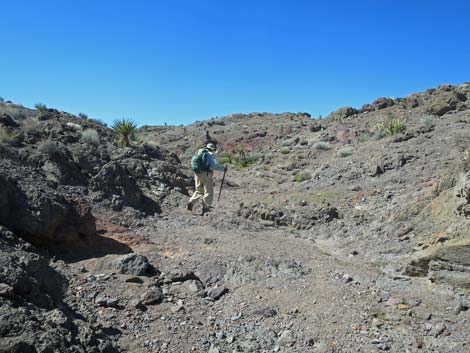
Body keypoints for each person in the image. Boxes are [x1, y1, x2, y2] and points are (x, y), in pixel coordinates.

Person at [187, 143, 226, 214]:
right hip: (206, 174)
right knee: (208, 190)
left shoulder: (200, 152)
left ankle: (191, 202)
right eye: (214, 149)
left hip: (197, 173)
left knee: (199, 190)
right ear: (212, 149)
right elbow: (214, 166)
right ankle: (206, 207)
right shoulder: (210, 154)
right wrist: (223, 169)